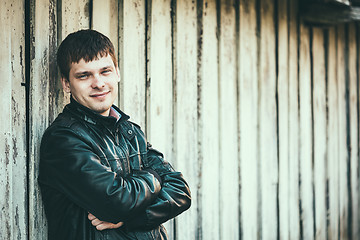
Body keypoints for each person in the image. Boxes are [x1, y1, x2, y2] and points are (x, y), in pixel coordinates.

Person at [38, 29, 191, 240]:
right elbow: (117, 201)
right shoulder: (64, 140)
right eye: (84, 75)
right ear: (66, 83)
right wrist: (154, 177)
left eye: (105, 71)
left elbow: (180, 192)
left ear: (117, 72)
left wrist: (130, 218)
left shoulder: (130, 132)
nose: (99, 83)